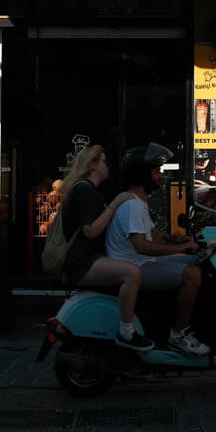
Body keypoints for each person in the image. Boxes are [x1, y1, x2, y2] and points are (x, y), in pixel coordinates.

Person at [105, 145, 210, 357]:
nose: (160, 176)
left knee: (193, 262)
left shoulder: (138, 202)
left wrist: (177, 238)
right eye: (156, 171)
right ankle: (179, 334)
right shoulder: (132, 205)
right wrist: (180, 248)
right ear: (143, 174)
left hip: (142, 263)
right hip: (136, 266)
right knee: (192, 273)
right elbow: (142, 246)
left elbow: (153, 233)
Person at [57, 145, 153, 352]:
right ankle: (126, 332)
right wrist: (116, 203)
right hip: (83, 262)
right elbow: (90, 231)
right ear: (93, 165)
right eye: (104, 161)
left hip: (90, 258)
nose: (108, 165)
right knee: (132, 273)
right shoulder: (84, 189)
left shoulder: (90, 191)